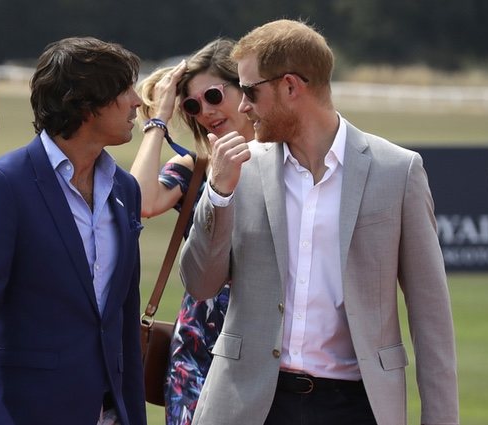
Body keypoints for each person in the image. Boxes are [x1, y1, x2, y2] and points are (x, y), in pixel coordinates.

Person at [179, 19, 458, 425]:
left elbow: (431, 316)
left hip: (356, 407)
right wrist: (217, 194)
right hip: (248, 404)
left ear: (291, 86)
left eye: (251, 91)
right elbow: (200, 284)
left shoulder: (397, 171)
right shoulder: (241, 169)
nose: (242, 107)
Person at [0, 36, 146, 425]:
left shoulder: (126, 189)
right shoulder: (2, 185)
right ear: (86, 103)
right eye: (125, 89)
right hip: (29, 411)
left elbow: (123, 315)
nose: (137, 102)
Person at [130, 38, 254, 425]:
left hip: (269, 350)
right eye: (193, 105)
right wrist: (159, 120)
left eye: (214, 95)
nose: (206, 112)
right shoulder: (194, 166)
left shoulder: (290, 161)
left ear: (246, 88)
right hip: (199, 352)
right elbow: (141, 201)